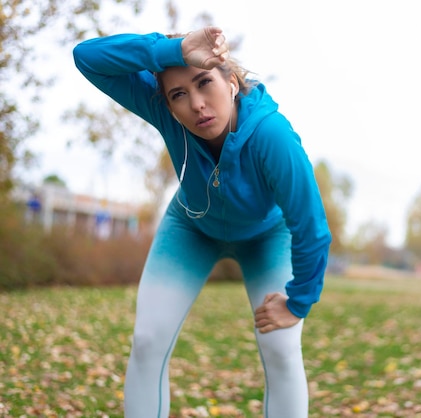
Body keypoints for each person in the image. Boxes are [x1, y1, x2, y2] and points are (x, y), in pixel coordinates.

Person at [73, 27, 331, 418]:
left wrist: (298, 302)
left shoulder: (271, 135)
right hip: (191, 228)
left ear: (231, 82)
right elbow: (87, 57)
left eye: (204, 83)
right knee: (146, 341)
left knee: (281, 349)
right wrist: (171, 49)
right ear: (168, 105)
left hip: (267, 237)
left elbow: (311, 227)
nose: (196, 104)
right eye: (179, 95)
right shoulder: (165, 112)